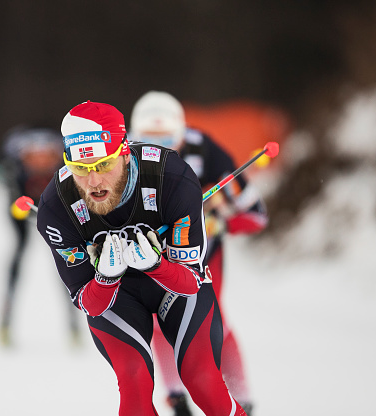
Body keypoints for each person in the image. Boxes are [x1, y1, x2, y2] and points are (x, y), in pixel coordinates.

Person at [36, 100, 248, 416]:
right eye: (81, 169)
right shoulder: (57, 207)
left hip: (174, 283)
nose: (93, 183)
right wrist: (106, 278)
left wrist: (156, 264)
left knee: (203, 381)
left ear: (123, 152)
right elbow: (90, 304)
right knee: (134, 384)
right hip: (115, 296)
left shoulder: (171, 177)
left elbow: (190, 283)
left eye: (103, 165)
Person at [130, 91, 268, 415]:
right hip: (154, 255)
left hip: (202, 255)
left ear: (181, 135)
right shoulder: (122, 157)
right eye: (146, 139)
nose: (157, 149)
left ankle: (241, 398)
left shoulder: (207, 152)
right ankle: (177, 397)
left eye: (166, 139)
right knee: (159, 317)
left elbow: (256, 215)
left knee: (213, 318)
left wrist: (218, 221)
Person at [0, 125, 81, 346]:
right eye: (34, 157)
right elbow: (14, 208)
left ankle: (75, 324)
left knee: (65, 258)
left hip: (56, 212)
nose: (40, 162)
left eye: (46, 157)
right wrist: (19, 208)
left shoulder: (65, 172)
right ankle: (5, 322)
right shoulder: (15, 173)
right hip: (25, 212)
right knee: (19, 250)